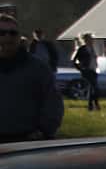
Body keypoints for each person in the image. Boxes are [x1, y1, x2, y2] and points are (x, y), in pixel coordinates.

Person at [0, 13, 63, 142]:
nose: (7, 37)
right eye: (2, 33)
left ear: (19, 36)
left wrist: (44, 131)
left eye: (13, 33)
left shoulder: (38, 69)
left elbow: (53, 103)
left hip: (27, 143)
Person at [72, 32, 100, 110]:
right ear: (86, 40)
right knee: (93, 87)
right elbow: (73, 60)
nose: (92, 40)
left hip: (94, 70)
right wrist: (80, 68)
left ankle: (92, 105)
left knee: (93, 88)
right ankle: (94, 105)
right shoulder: (81, 48)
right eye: (90, 39)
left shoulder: (92, 48)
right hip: (87, 70)